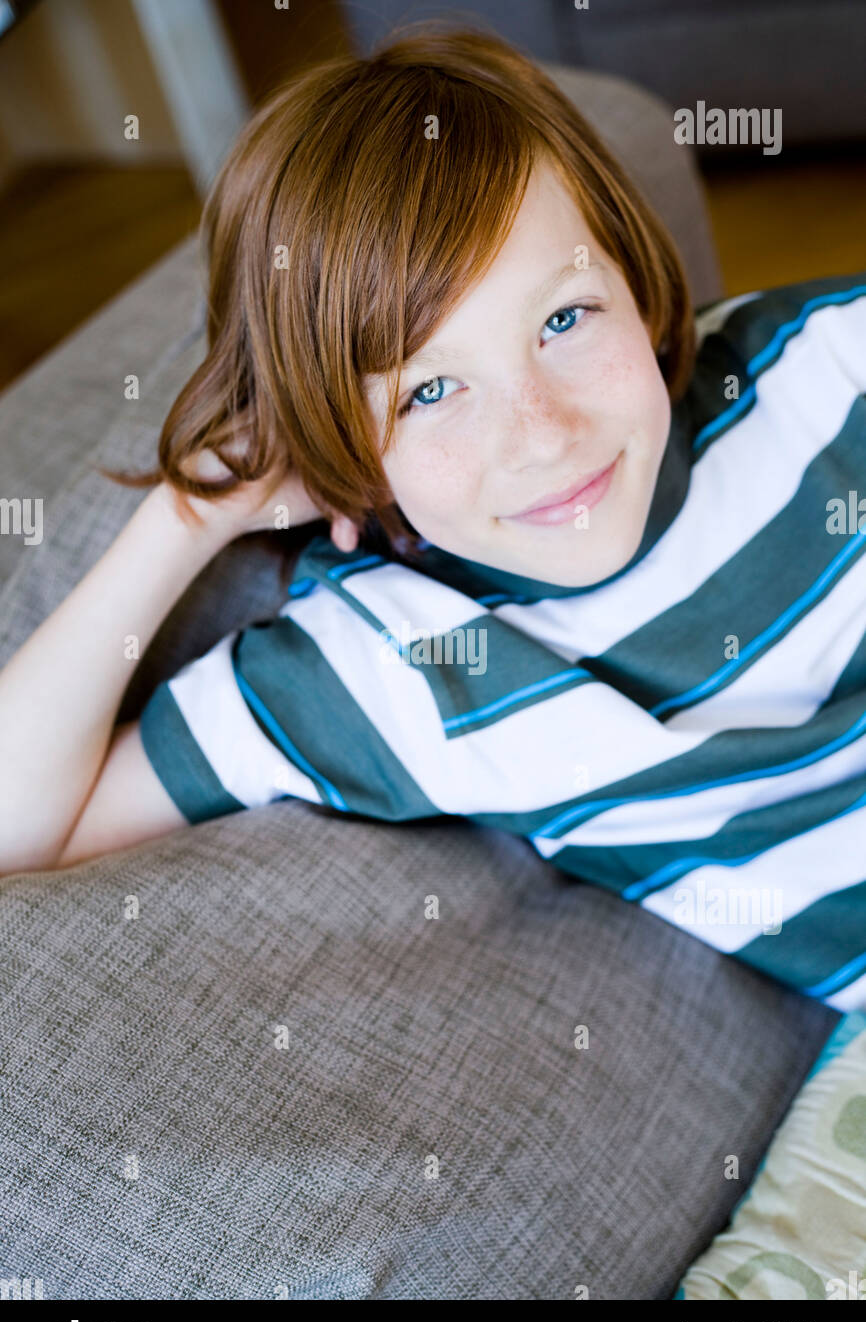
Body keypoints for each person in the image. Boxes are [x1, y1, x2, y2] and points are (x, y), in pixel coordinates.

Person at [2, 26, 865, 1011]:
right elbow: (15, 829)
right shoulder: (383, 666)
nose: (541, 436)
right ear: (345, 452)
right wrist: (185, 520)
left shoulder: (830, 369)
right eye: (428, 391)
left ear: (632, 278)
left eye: (562, 319)